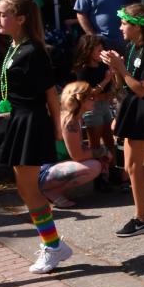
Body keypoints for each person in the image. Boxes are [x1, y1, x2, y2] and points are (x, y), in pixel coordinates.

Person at [0, 0, 73, 273]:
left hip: (30, 124)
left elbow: (51, 94)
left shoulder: (34, 50)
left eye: (2, 14)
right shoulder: (14, 46)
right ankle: (54, 246)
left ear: (21, 18)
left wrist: (58, 129)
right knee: (26, 190)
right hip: (13, 119)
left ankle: (53, 247)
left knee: (28, 191)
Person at [100, 3, 144, 236]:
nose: (120, 28)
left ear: (138, 27)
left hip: (143, 110)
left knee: (133, 167)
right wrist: (115, 68)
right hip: (131, 107)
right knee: (132, 168)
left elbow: (141, 89)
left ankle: (142, 218)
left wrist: (121, 68)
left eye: (124, 23)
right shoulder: (133, 48)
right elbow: (126, 85)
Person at [38, 81, 111, 209]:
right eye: (91, 97)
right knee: (94, 166)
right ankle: (50, 191)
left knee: (96, 162)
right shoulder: (69, 121)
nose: (95, 99)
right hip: (43, 173)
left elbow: (78, 151)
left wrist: (99, 153)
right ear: (80, 100)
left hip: (51, 168)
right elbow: (77, 156)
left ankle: (52, 190)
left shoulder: (74, 119)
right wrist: (103, 151)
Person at [73, 34, 117, 184]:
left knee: (109, 140)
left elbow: (110, 90)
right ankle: (98, 177)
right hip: (92, 109)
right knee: (95, 143)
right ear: (88, 51)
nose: (101, 52)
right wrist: (105, 80)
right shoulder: (83, 69)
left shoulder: (103, 66)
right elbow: (87, 93)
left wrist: (112, 78)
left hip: (104, 106)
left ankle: (113, 171)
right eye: (98, 50)